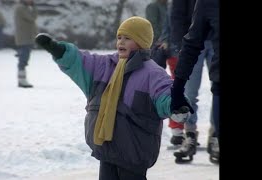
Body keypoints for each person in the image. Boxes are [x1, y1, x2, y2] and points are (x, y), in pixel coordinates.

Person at [35, 16, 191, 180]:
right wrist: (59, 51)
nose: (121, 42)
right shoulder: (105, 65)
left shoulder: (152, 73)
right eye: (119, 37)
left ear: (141, 42)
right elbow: (81, 61)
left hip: (134, 151)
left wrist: (176, 104)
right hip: (107, 149)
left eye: (127, 38)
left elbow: (165, 92)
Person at [170, 0, 219, 163]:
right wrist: (179, 42)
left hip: (213, 40)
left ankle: (215, 136)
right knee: (189, 93)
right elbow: (176, 14)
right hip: (194, 37)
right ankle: (189, 134)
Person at [14, 0, 38, 88]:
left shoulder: (24, 8)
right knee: (23, 59)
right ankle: (21, 80)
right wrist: (34, 8)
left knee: (24, 58)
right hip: (24, 39)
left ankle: (22, 79)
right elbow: (32, 18)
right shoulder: (20, 8)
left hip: (27, 38)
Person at [145, 0, 169, 69]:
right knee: (156, 68)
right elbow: (152, 25)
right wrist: (160, 39)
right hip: (157, 43)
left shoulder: (168, 6)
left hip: (167, 42)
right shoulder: (152, 6)